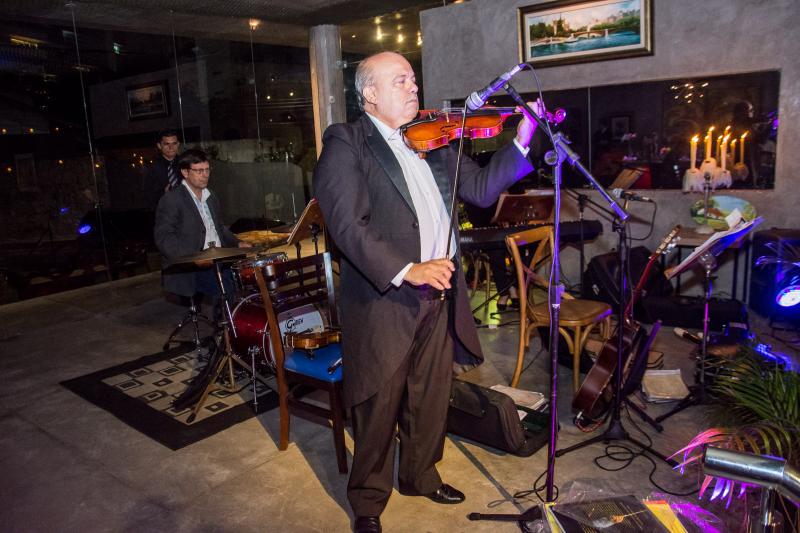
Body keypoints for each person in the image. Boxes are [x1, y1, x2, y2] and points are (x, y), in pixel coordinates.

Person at [313, 51, 540, 533]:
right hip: (384, 299)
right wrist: (408, 269)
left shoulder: (432, 140)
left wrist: (521, 139)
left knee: (430, 396)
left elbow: (480, 189)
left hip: (441, 293)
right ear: (370, 94)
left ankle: (419, 476)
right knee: (378, 404)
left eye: (413, 79)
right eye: (401, 81)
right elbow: (347, 225)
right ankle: (368, 501)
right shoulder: (346, 141)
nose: (414, 88)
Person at [154, 149, 250, 308]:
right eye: (199, 171)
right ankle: (224, 322)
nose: (205, 175)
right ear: (185, 172)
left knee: (242, 284)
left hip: (217, 258)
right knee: (224, 291)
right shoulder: (172, 199)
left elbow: (219, 227)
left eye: (207, 170)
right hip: (192, 267)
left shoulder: (210, 196)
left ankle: (229, 321)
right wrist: (192, 258)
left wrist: (237, 243)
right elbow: (164, 238)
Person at [143, 129, 181, 210]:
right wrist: (164, 193)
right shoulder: (151, 168)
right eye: (167, 144)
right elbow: (146, 196)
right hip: (163, 210)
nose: (171, 147)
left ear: (178, 144)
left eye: (174, 143)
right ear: (159, 146)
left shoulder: (185, 164)